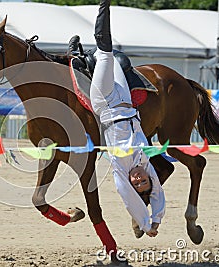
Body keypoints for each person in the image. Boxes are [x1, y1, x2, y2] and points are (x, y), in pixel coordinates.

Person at [87, 0, 166, 256]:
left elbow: (131, 199)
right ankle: (77, 53)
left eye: (138, 182)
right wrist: (157, 219)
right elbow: (158, 193)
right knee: (117, 61)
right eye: (145, 180)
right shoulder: (144, 162)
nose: (140, 178)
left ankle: (103, 6)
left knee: (106, 52)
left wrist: (145, 223)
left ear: (132, 184)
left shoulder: (121, 171)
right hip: (124, 99)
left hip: (105, 103)